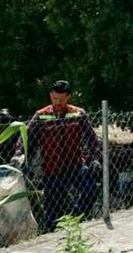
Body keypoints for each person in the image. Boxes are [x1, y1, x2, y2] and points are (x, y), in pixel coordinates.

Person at [13, 80, 100, 232]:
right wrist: (20, 154)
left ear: (68, 97)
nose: (57, 103)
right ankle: (52, 235)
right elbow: (27, 137)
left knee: (90, 190)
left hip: (76, 165)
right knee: (52, 211)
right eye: (54, 99)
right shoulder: (41, 115)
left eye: (61, 99)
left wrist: (94, 158)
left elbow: (91, 138)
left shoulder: (77, 113)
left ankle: (73, 221)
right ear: (50, 96)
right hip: (52, 169)